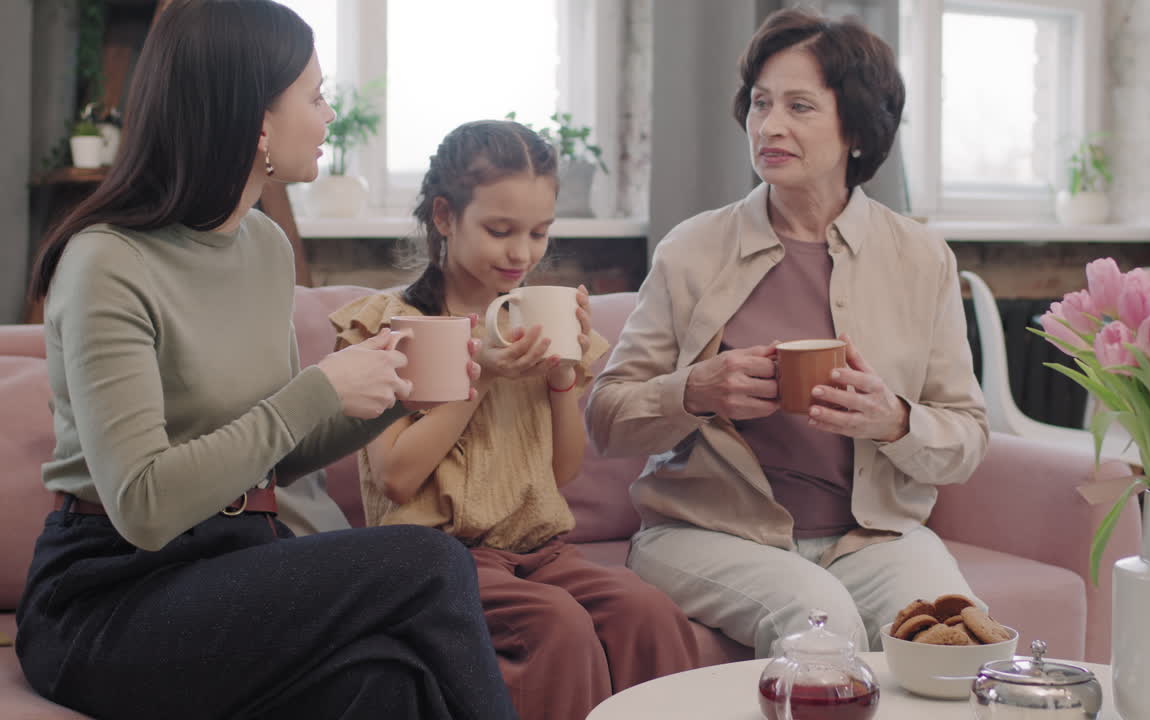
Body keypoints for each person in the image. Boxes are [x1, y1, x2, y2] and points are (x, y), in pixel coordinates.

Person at [17, 2, 517, 719]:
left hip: (233, 562)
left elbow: (272, 455)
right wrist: (318, 389)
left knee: (385, 681)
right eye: (313, 96)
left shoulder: (263, 247)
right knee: (427, 562)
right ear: (257, 121)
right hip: (109, 594)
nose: (328, 113)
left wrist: (401, 391)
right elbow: (144, 504)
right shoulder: (106, 263)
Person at [585, 8, 990, 656]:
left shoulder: (920, 258)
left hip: (875, 539)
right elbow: (604, 420)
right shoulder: (693, 249)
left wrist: (893, 420)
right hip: (708, 534)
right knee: (820, 622)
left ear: (857, 129)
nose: (769, 124)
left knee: (959, 644)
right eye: (761, 103)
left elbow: (968, 435)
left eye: (800, 106)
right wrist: (694, 391)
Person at [330, 119, 700, 720]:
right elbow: (398, 478)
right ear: (445, 217)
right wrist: (484, 378)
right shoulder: (392, 325)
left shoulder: (537, 319)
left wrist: (560, 383)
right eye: (500, 231)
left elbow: (563, 473)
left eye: (539, 233)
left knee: (649, 613)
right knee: (558, 627)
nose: (523, 253)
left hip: (541, 551)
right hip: (438, 559)